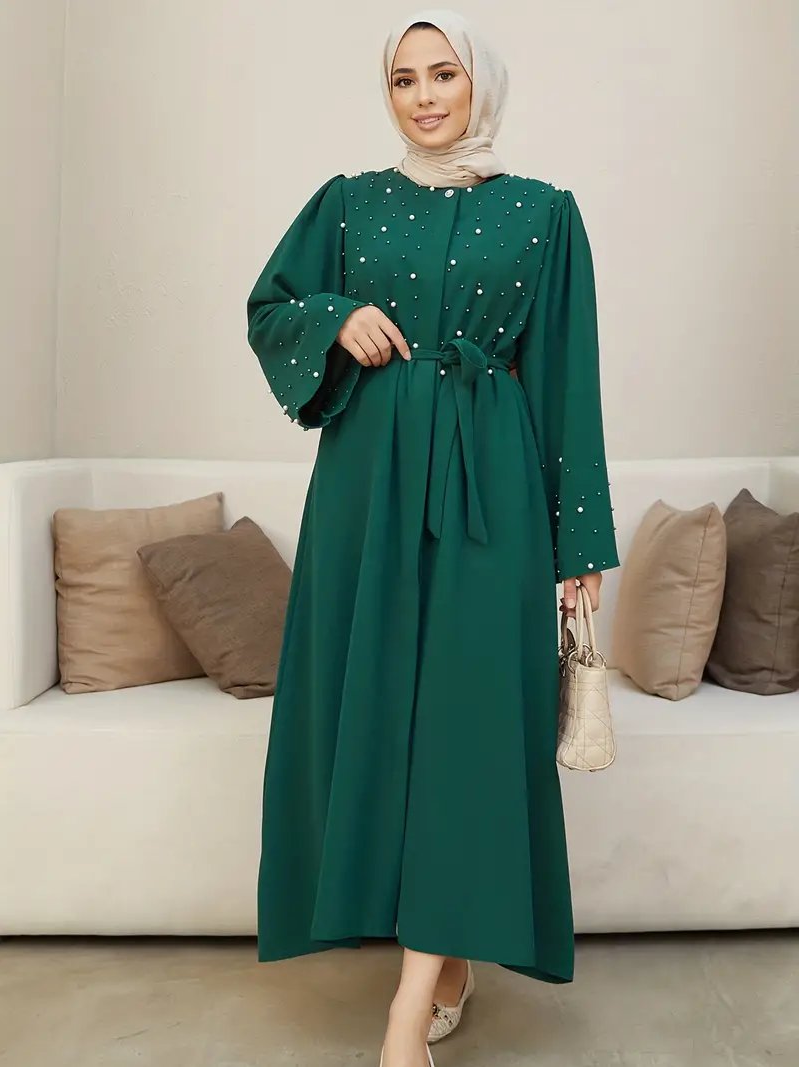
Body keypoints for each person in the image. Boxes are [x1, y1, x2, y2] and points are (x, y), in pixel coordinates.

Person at [245, 8, 621, 1066]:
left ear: (478, 82)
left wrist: (578, 545)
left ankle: (405, 1017)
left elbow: (567, 379)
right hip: (365, 491)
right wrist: (332, 316)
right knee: (376, 719)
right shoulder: (348, 203)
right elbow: (269, 309)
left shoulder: (544, 214)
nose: (423, 96)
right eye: (403, 78)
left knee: (468, 730)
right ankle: (442, 962)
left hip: (490, 489)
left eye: (442, 73)